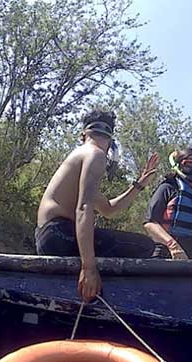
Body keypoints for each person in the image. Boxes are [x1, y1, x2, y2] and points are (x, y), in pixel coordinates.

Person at [35, 109, 159, 301]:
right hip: (60, 233)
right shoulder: (96, 155)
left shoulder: (81, 155)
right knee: (145, 246)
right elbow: (84, 208)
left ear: (83, 134)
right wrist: (89, 268)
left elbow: (109, 209)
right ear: (111, 140)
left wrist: (139, 184)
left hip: (49, 236)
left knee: (134, 245)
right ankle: (117, 299)